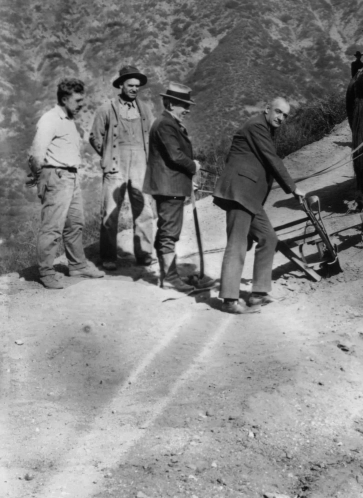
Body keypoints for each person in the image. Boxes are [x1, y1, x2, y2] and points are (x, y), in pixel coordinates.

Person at [213, 98, 304, 314]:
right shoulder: (256, 125)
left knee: (268, 238)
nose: (281, 118)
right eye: (278, 112)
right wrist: (293, 188)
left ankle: (258, 293)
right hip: (240, 194)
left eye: (285, 115)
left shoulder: (264, 128)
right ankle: (229, 300)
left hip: (249, 197)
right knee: (237, 244)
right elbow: (271, 158)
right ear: (267, 109)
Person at [28, 78, 105, 289]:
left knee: (75, 224)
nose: (81, 104)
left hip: (71, 177)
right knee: (52, 228)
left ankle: (77, 266)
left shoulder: (68, 120)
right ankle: (46, 272)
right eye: (77, 100)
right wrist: (42, 177)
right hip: (57, 176)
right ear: (64, 99)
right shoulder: (50, 119)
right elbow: (36, 155)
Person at [89, 65, 155, 271]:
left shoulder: (145, 109)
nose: (134, 89)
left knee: (144, 210)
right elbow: (95, 137)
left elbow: (153, 136)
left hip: (141, 165)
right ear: (121, 85)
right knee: (110, 211)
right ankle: (109, 256)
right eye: (130, 85)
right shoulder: (106, 109)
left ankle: (144, 254)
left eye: (137, 86)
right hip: (115, 165)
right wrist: (108, 155)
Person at [142, 83, 201, 293]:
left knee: (168, 231)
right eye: (184, 105)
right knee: (169, 233)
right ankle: (169, 278)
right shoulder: (166, 124)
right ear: (170, 104)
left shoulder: (168, 123)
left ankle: (170, 275)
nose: (188, 109)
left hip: (171, 185)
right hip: (169, 188)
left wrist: (187, 179)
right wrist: (193, 166)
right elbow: (175, 156)